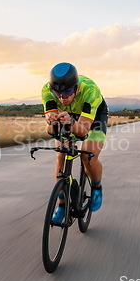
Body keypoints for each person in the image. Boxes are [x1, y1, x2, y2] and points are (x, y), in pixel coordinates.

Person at [42, 62, 108, 224]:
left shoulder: (91, 91)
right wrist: (52, 123)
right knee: (60, 157)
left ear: (76, 88)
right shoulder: (47, 91)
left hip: (94, 117)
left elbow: (83, 131)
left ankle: (96, 187)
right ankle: (62, 206)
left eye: (67, 92)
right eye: (58, 94)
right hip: (68, 117)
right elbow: (51, 132)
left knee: (88, 157)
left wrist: (71, 122)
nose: (63, 98)